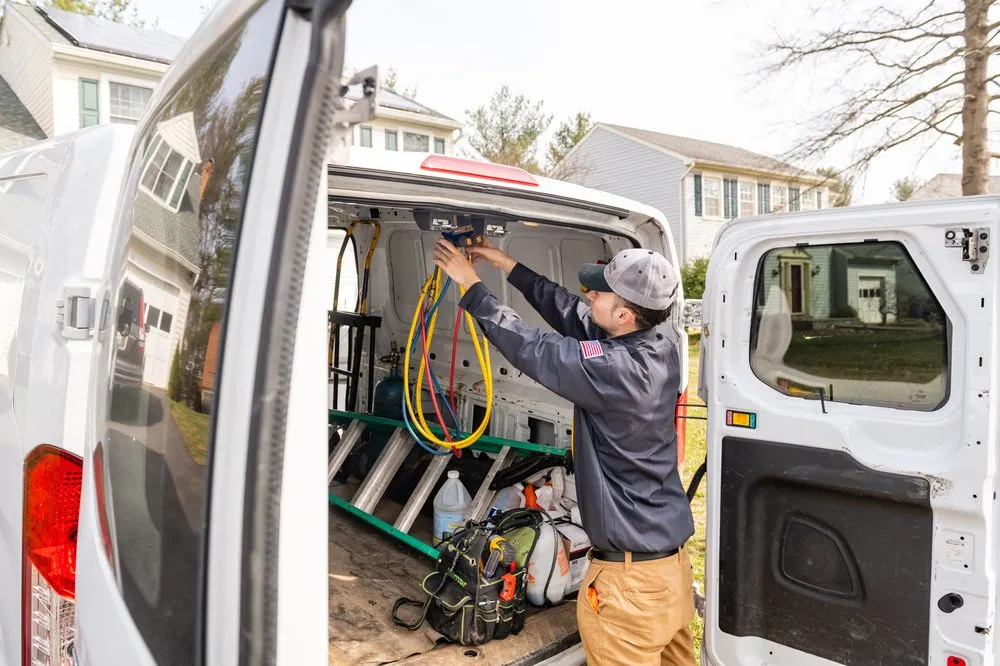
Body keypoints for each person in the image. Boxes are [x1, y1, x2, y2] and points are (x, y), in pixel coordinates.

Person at [432, 237, 696, 666]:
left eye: (599, 291)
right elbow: (572, 313)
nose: (588, 294)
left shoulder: (614, 368)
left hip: (629, 586)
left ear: (625, 314)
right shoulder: (657, 346)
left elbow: (533, 347)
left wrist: (471, 286)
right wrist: (508, 263)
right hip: (669, 574)